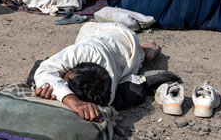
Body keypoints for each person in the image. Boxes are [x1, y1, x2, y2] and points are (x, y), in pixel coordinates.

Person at [33, 22, 162, 120]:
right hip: (116, 38)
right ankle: (146, 51)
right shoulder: (83, 52)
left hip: (124, 37)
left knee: (139, 54)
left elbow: (46, 73)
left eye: (65, 77)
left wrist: (61, 94)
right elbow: (45, 70)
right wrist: (72, 100)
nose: (62, 77)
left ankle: (146, 51)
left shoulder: (107, 95)